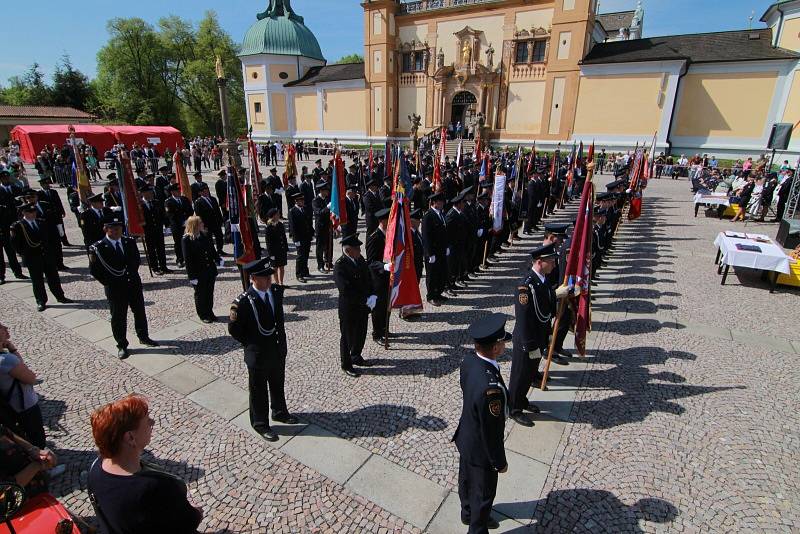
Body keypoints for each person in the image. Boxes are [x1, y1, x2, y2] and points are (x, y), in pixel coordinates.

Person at [87, 395, 203, 533]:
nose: (153, 423)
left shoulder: (95, 469)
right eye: (148, 421)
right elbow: (188, 522)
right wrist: (196, 513)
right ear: (130, 437)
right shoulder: (156, 487)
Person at [228, 258, 298, 441]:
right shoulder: (242, 303)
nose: (269, 280)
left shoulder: (274, 292)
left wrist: (282, 345)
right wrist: (251, 345)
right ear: (253, 278)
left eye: (270, 276)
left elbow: (279, 321)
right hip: (258, 354)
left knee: (277, 383)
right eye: (265, 277)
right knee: (258, 390)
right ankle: (260, 423)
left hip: (276, 349)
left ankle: (279, 411)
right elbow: (234, 330)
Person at [453, 313, 510, 533]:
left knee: (466, 482)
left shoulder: (469, 361)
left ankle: (467, 513)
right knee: (483, 495)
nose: (505, 344)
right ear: (495, 348)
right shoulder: (491, 389)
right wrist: (499, 462)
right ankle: (477, 526)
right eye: (503, 341)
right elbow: (492, 432)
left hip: (466, 437)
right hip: (482, 450)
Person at [508, 243, 572, 427]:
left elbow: (546, 305)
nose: (554, 265)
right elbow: (524, 319)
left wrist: (556, 296)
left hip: (539, 336)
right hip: (527, 341)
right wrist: (530, 345)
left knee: (530, 374)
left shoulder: (543, 280)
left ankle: (522, 400)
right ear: (539, 262)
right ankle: (514, 408)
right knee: (520, 375)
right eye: (550, 262)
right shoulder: (525, 286)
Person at [89, 213, 159, 359]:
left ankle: (143, 336)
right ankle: (121, 344)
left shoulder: (129, 241)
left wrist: (130, 275)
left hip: (132, 284)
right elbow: (95, 271)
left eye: (119, 228)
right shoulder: (98, 248)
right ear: (105, 229)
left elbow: (136, 260)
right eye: (112, 228)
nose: (116, 231)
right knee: (119, 317)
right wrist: (109, 282)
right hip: (115, 288)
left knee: (139, 312)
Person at [10, 203, 72, 312]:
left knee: (54, 278)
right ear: (24, 213)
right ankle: (41, 301)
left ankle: (60, 296)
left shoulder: (41, 222)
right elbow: (16, 245)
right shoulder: (18, 226)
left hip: (47, 256)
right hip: (32, 258)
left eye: (34, 211)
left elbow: (50, 239)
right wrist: (26, 255)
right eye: (30, 212)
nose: (33, 214)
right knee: (37, 281)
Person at [333, 233, 376, 377]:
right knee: (347, 336)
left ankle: (356, 355)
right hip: (349, 307)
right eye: (357, 248)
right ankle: (346, 364)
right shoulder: (340, 266)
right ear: (348, 250)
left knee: (361, 332)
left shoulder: (360, 260)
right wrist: (364, 299)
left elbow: (368, 278)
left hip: (362, 306)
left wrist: (372, 294)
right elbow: (345, 290)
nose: (360, 251)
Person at [0, 322, 46, 448]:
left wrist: (10, 348)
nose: (6, 327)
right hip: (24, 405)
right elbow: (31, 378)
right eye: (1, 327)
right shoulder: (6, 360)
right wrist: (13, 350)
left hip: (10, 405)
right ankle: (44, 464)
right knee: (36, 435)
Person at [182, 216, 222, 323]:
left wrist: (217, 259)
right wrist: (192, 276)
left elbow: (211, 249)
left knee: (209, 292)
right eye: (200, 223)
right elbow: (188, 260)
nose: (203, 224)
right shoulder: (187, 239)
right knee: (201, 294)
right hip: (198, 272)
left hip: (209, 270)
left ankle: (209, 311)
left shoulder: (205, 235)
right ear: (195, 225)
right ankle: (203, 314)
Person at [0, 423, 57, 498]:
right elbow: (6, 488)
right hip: (21, 503)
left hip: (38, 489)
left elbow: (6, 432)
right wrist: (37, 465)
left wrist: (33, 449)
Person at [366, 207, 391, 345]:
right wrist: (384, 266)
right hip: (377, 279)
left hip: (388, 276)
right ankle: (377, 333)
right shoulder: (374, 237)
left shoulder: (389, 234)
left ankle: (384, 328)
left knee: (387, 304)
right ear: (383, 221)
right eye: (389, 219)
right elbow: (370, 262)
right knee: (378, 307)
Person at [422, 192, 449, 305]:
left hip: (441, 250)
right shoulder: (428, 216)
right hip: (433, 251)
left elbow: (445, 231)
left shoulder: (441, 214)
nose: (442, 203)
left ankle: (438, 293)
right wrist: (429, 253)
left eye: (442, 201)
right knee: (432, 275)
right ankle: (431, 296)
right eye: (440, 201)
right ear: (434, 203)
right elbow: (426, 236)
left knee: (441, 273)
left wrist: (447, 246)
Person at [140, 185, 171, 275]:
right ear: (143, 193)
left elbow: (162, 214)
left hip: (158, 229)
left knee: (161, 248)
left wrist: (166, 224)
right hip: (148, 231)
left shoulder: (156, 202)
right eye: (148, 192)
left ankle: (163, 266)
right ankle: (155, 267)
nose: (151, 194)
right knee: (151, 250)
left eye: (151, 192)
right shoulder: (140, 205)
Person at [165, 183, 194, 267]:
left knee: (190, 242)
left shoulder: (184, 199)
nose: (178, 192)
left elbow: (190, 211)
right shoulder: (168, 202)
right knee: (178, 243)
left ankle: (189, 258)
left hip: (187, 225)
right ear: (172, 192)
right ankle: (180, 259)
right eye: (176, 191)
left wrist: (188, 221)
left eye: (179, 190)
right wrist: (182, 222)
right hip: (177, 226)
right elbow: (171, 215)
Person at [193, 183, 225, 255]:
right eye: (203, 190)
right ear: (200, 192)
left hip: (216, 222)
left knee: (219, 236)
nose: (206, 191)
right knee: (209, 239)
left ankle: (220, 249)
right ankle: (212, 252)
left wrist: (220, 220)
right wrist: (203, 226)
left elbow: (217, 210)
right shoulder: (198, 202)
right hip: (207, 224)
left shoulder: (213, 199)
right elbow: (199, 215)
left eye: (206, 190)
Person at [288, 193, 313, 283]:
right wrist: (296, 240)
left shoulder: (304, 209)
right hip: (299, 238)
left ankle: (305, 271)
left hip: (307, 236)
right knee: (300, 256)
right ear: (296, 201)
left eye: (303, 200)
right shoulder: (292, 211)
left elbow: (308, 222)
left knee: (306, 255)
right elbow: (293, 227)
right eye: (300, 201)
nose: (302, 202)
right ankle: (299, 274)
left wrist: (312, 233)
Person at [264, 208, 288, 286]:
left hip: (281, 249)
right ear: (273, 216)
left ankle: (281, 282)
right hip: (274, 251)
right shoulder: (269, 227)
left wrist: (286, 248)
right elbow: (268, 243)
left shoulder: (280, 224)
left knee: (282, 267)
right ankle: (277, 283)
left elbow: (284, 237)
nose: (279, 215)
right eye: (277, 214)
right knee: (275, 268)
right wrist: (271, 254)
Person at [312, 180, 332, 273]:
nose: (327, 192)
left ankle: (328, 261)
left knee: (328, 245)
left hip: (328, 226)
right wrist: (327, 208)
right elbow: (318, 213)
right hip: (320, 227)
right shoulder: (316, 201)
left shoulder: (327, 199)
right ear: (321, 191)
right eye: (326, 190)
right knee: (320, 247)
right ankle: (320, 265)